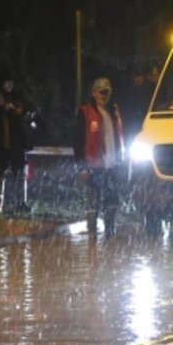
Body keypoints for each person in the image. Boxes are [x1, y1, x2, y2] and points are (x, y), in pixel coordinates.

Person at [75, 77, 125, 235]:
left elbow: (119, 137)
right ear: (94, 93)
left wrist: (120, 161)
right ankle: (92, 234)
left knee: (112, 200)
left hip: (112, 164)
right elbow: (77, 141)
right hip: (93, 166)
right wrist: (82, 166)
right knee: (92, 200)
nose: (104, 95)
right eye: (101, 92)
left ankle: (110, 230)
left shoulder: (113, 112)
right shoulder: (85, 112)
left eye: (107, 92)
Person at [0, 70, 33, 214]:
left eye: (11, 83)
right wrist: (2, 109)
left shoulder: (17, 98)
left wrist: (18, 111)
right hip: (1, 142)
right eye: (7, 82)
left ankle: (19, 203)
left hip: (16, 142)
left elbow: (26, 112)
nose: (9, 85)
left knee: (19, 174)